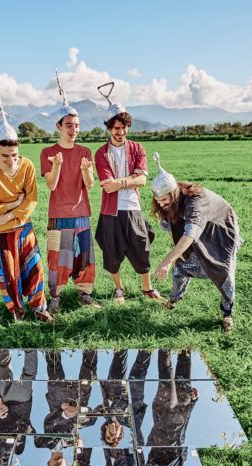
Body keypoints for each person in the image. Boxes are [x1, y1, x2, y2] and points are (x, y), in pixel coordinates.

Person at [0, 69, 52, 322]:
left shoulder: (28, 165)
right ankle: (15, 309)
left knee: (34, 265)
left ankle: (39, 308)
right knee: (9, 272)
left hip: (23, 226)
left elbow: (31, 199)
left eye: (15, 155)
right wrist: (14, 204)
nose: (11, 161)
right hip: (1, 231)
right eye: (5, 156)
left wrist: (13, 212)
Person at [149, 152, 243, 332]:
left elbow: (191, 234)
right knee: (181, 265)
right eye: (158, 201)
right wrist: (177, 253)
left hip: (220, 231)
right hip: (195, 228)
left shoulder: (196, 201)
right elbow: (171, 226)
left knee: (223, 270)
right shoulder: (170, 203)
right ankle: (174, 300)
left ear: (174, 193)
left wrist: (166, 261)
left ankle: (227, 314)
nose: (161, 205)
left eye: (163, 200)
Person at [93, 82, 163, 304]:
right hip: (111, 210)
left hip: (133, 207)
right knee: (112, 252)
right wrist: (130, 180)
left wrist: (124, 182)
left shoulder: (137, 149)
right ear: (109, 129)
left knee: (141, 248)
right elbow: (107, 185)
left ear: (127, 128)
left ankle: (147, 289)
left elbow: (142, 180)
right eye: (116, 128)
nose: (120, 132)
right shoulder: (101, 153)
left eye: (123, 128)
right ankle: (119, 289)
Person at [39, 71, 99, 313]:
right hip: (59, 213)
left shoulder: (85, 151)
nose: (73, 130)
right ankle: (55, 297)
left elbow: (90, 184)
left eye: (76, 125)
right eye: (68, 126)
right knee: (58, 257)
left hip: (81, 212)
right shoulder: (47, 153)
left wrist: (85, 170)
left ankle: (85, 295)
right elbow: (51, 185)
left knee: (84, 256)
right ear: (58, 127)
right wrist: (57, 165)